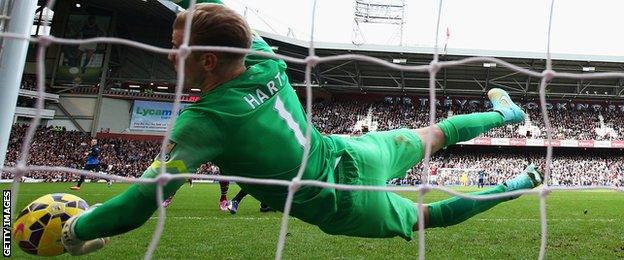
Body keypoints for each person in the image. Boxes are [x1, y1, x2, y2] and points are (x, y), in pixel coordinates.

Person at [60, 2, 544, 255]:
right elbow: (214, 10)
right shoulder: (265, 60)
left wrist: (78, 229)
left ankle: (518, 183)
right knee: (436, 134)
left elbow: (142, 202)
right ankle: (506, 114)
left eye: (175, 45)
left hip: (341, 201)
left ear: (206, 61)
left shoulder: (202, 125)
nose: (169, 53)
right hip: (356, 153)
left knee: (428, 219)